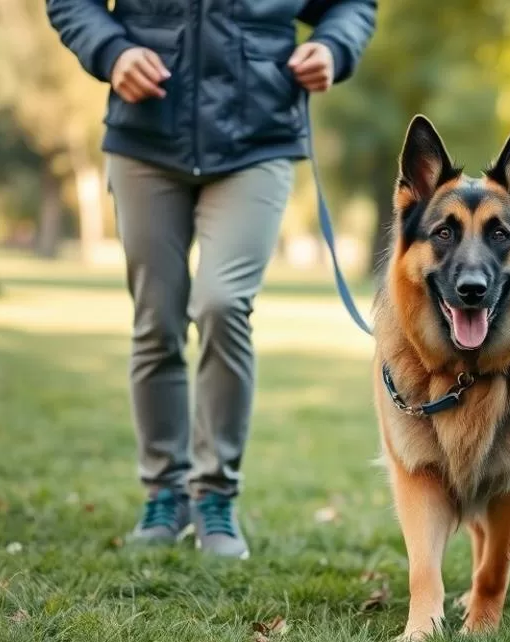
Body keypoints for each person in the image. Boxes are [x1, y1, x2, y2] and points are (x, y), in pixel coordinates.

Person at [45, 0, 377, 559]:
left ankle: (215, 495)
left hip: (257, 140)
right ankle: (165, 494)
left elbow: (351, 5)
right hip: (146, 135)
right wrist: (112, 51)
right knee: (156, 319)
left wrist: (333, 48)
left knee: (223, 304)